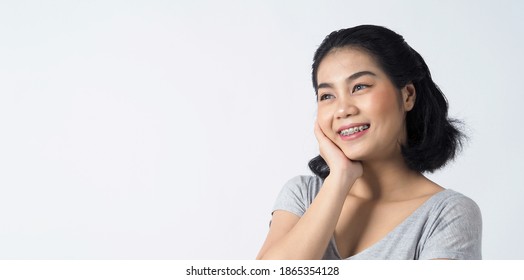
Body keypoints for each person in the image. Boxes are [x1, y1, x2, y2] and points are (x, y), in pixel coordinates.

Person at [256, 25, 482, 260]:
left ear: (407, 95)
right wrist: (340, 178)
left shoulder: (447, 214)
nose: (343, 109)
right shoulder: (304, 195)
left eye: (360, 87)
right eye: (327, 96)